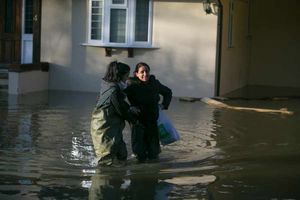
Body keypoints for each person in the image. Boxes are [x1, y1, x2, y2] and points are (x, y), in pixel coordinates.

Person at [90, 61, 137, 167]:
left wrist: (129, 108)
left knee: (121, 154)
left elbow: (120, 104)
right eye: (126, 76)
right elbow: (120, 109)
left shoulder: (109, 85)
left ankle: (116, 180)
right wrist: (133, 120)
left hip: (109, 126)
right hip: (104, 127)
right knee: (107, 158)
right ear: (120, 76)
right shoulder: (113, 90)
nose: (127, 78)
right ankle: (105, 179)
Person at [124, 62, 172, 163]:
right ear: (136, 73)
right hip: (138, 122)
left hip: (152, 123)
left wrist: (163, 105)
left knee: (154, 154)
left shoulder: (154, 83)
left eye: (147, 71)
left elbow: (168, 92)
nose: (145, 74)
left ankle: (153, 174)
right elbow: (118, 98)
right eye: (142, 72)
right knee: (139, 155)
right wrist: (130, 107)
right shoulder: (131, 84)